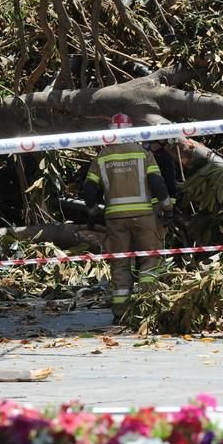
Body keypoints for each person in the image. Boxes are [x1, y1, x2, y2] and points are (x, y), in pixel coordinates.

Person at [82, 113, 173, 317]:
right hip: (144, 215)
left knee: (120, 263)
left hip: (114, 219)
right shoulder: (143, 153)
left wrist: (92, 212)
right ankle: (148, 306)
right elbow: (158, 183)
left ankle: (121, 312)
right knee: (150, 258)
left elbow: (88, 188)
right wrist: (168, 208)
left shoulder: (102, 157)